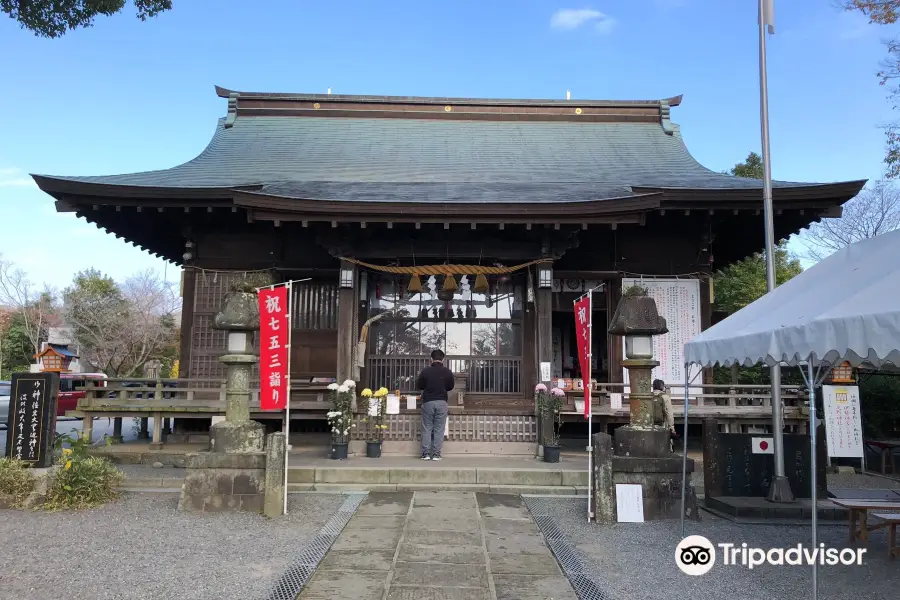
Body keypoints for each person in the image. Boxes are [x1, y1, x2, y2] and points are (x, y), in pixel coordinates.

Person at [416, 348, 454, 461]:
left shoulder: (426, 371)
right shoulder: (447, 372)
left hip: (428, 402)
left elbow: (420, 385)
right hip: (442, 402)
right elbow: (450, 387)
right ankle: (436, 454)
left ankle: (425, 454)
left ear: (431, 359)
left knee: (427, 428)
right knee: (439, 429)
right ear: (443, 359)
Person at [653, 379, 676, 452]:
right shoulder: (665, 397)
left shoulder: (649, 396)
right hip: (662, 424)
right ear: (662, 387)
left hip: (650, 424)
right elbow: (669, 413)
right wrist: (671, 427)